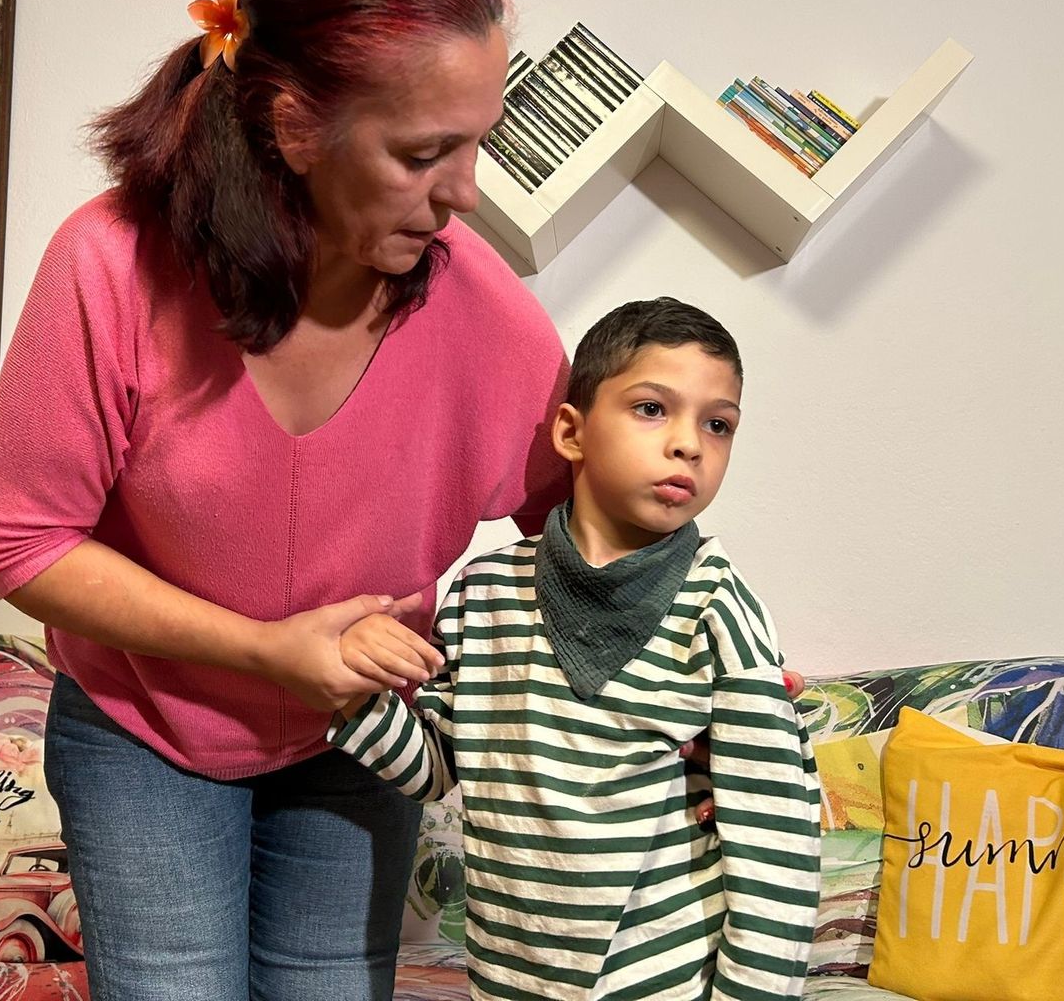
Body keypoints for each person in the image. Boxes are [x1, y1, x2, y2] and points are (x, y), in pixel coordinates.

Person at [0, 0, 802, 1001]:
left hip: (365, 738)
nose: (465, 194)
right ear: (291, 124)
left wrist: (712, 715)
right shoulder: (109, 265)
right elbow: (17, 540)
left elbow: (600, 537)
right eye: (423, 153)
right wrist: (267, 650)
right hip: (145, 729)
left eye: (480, 145)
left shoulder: (485, 321)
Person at [330, 297, 823, 999]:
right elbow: (437, 766)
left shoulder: (718, 606)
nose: (689, 442)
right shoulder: (483, 591)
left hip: (663, 981)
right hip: (506, 975)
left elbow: (775, 833)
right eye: (653, 408)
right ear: (571, 431)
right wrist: (355, 683)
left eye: (718, 424)